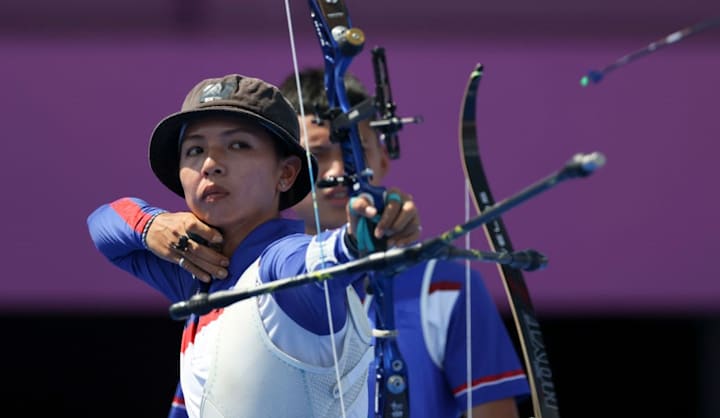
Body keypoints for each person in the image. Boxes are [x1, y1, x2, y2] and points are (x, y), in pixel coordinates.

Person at [87, 73, 420, 418]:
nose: (210, 164)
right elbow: (102, 226)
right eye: (195, 150)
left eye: (238, 145)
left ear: (287, 173)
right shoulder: (198, 271)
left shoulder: (283, 262)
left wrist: (363, 236)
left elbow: (323, 259)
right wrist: (151, 224)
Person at [279, 68, 531, 417]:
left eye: (355, 151)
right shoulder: (254, 283)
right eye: (318, 154)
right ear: (283, 173)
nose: (337, 170)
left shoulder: (444, 287)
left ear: (383, 158)